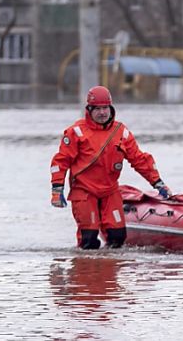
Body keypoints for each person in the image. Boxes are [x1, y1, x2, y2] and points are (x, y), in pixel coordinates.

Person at [49, 86, 171, 249]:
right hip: (84, 191)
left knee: (118, 236)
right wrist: (57, 189)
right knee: (89, 239)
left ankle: (108, 271)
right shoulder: (76, 132)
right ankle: (85, 272)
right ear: (89, 110)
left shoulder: (121, 132)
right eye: (98, 109)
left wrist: (158, 183)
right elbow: (61, 161)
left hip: (109, 190)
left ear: (111, 108)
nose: (102, 113)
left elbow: (139, 159)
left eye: (105, 108)